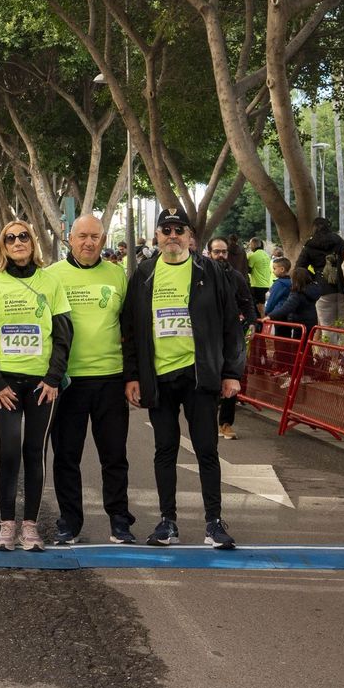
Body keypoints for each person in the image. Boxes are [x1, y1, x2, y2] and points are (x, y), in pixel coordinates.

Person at [124, 208, 243, 549]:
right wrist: (132, 376)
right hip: (159, 378)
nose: (172, 235)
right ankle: (167, 522)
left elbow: (231, 326)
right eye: (166, 229)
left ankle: (214, 523)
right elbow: (130, 330)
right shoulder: (144, 273)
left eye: (179, 229)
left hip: (199, 376)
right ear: (157, 236)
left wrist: (232, 373)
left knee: (206, 449)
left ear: (191, 237)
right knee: (165, 449)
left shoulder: (211, 272)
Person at [0, 219, 69, 552]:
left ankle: (30, 527)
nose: (17, 241)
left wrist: (53, 378)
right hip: (6, 385)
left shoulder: (50, 282)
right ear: (3, 246)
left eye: (23, 236)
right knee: (9, 451)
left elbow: (62, 334)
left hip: (43, 385)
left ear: (33, 243)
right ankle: (6, 525)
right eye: (10, 237)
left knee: (35, 453)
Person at [48, 215, 135, 545]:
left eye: (95, 237)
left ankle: (119, 520)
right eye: (82, 236)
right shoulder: (52, 276)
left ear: (103, 239)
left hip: (110, 379)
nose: (88, 242)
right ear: (69, 238)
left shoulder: (117, 275)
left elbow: (129, 329)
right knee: (66, 456)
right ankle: (69, 521)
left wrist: (132, 377)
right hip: (68, 382)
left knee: (114, 455)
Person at [208, 237, 254, 441]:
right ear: (209, 253)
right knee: (210, 380)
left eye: (224, 252)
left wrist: (251, 323)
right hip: (207, 339)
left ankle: (225, 423)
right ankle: (207, 421)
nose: (220, 256)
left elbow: (247, 303)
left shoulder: (236, 277)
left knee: (231, 378)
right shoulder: (199, 276)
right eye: (216, 251)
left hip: (231, 338)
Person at [246, 237, 272, 316]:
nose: (250, 246)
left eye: (250, 244)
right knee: (262, 304)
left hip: (257, 284)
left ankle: (262, 323)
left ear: (254, 244)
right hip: (266, 283)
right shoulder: (266, 255)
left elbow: (248, 269)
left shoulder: (253, 256)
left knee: (259, 306)